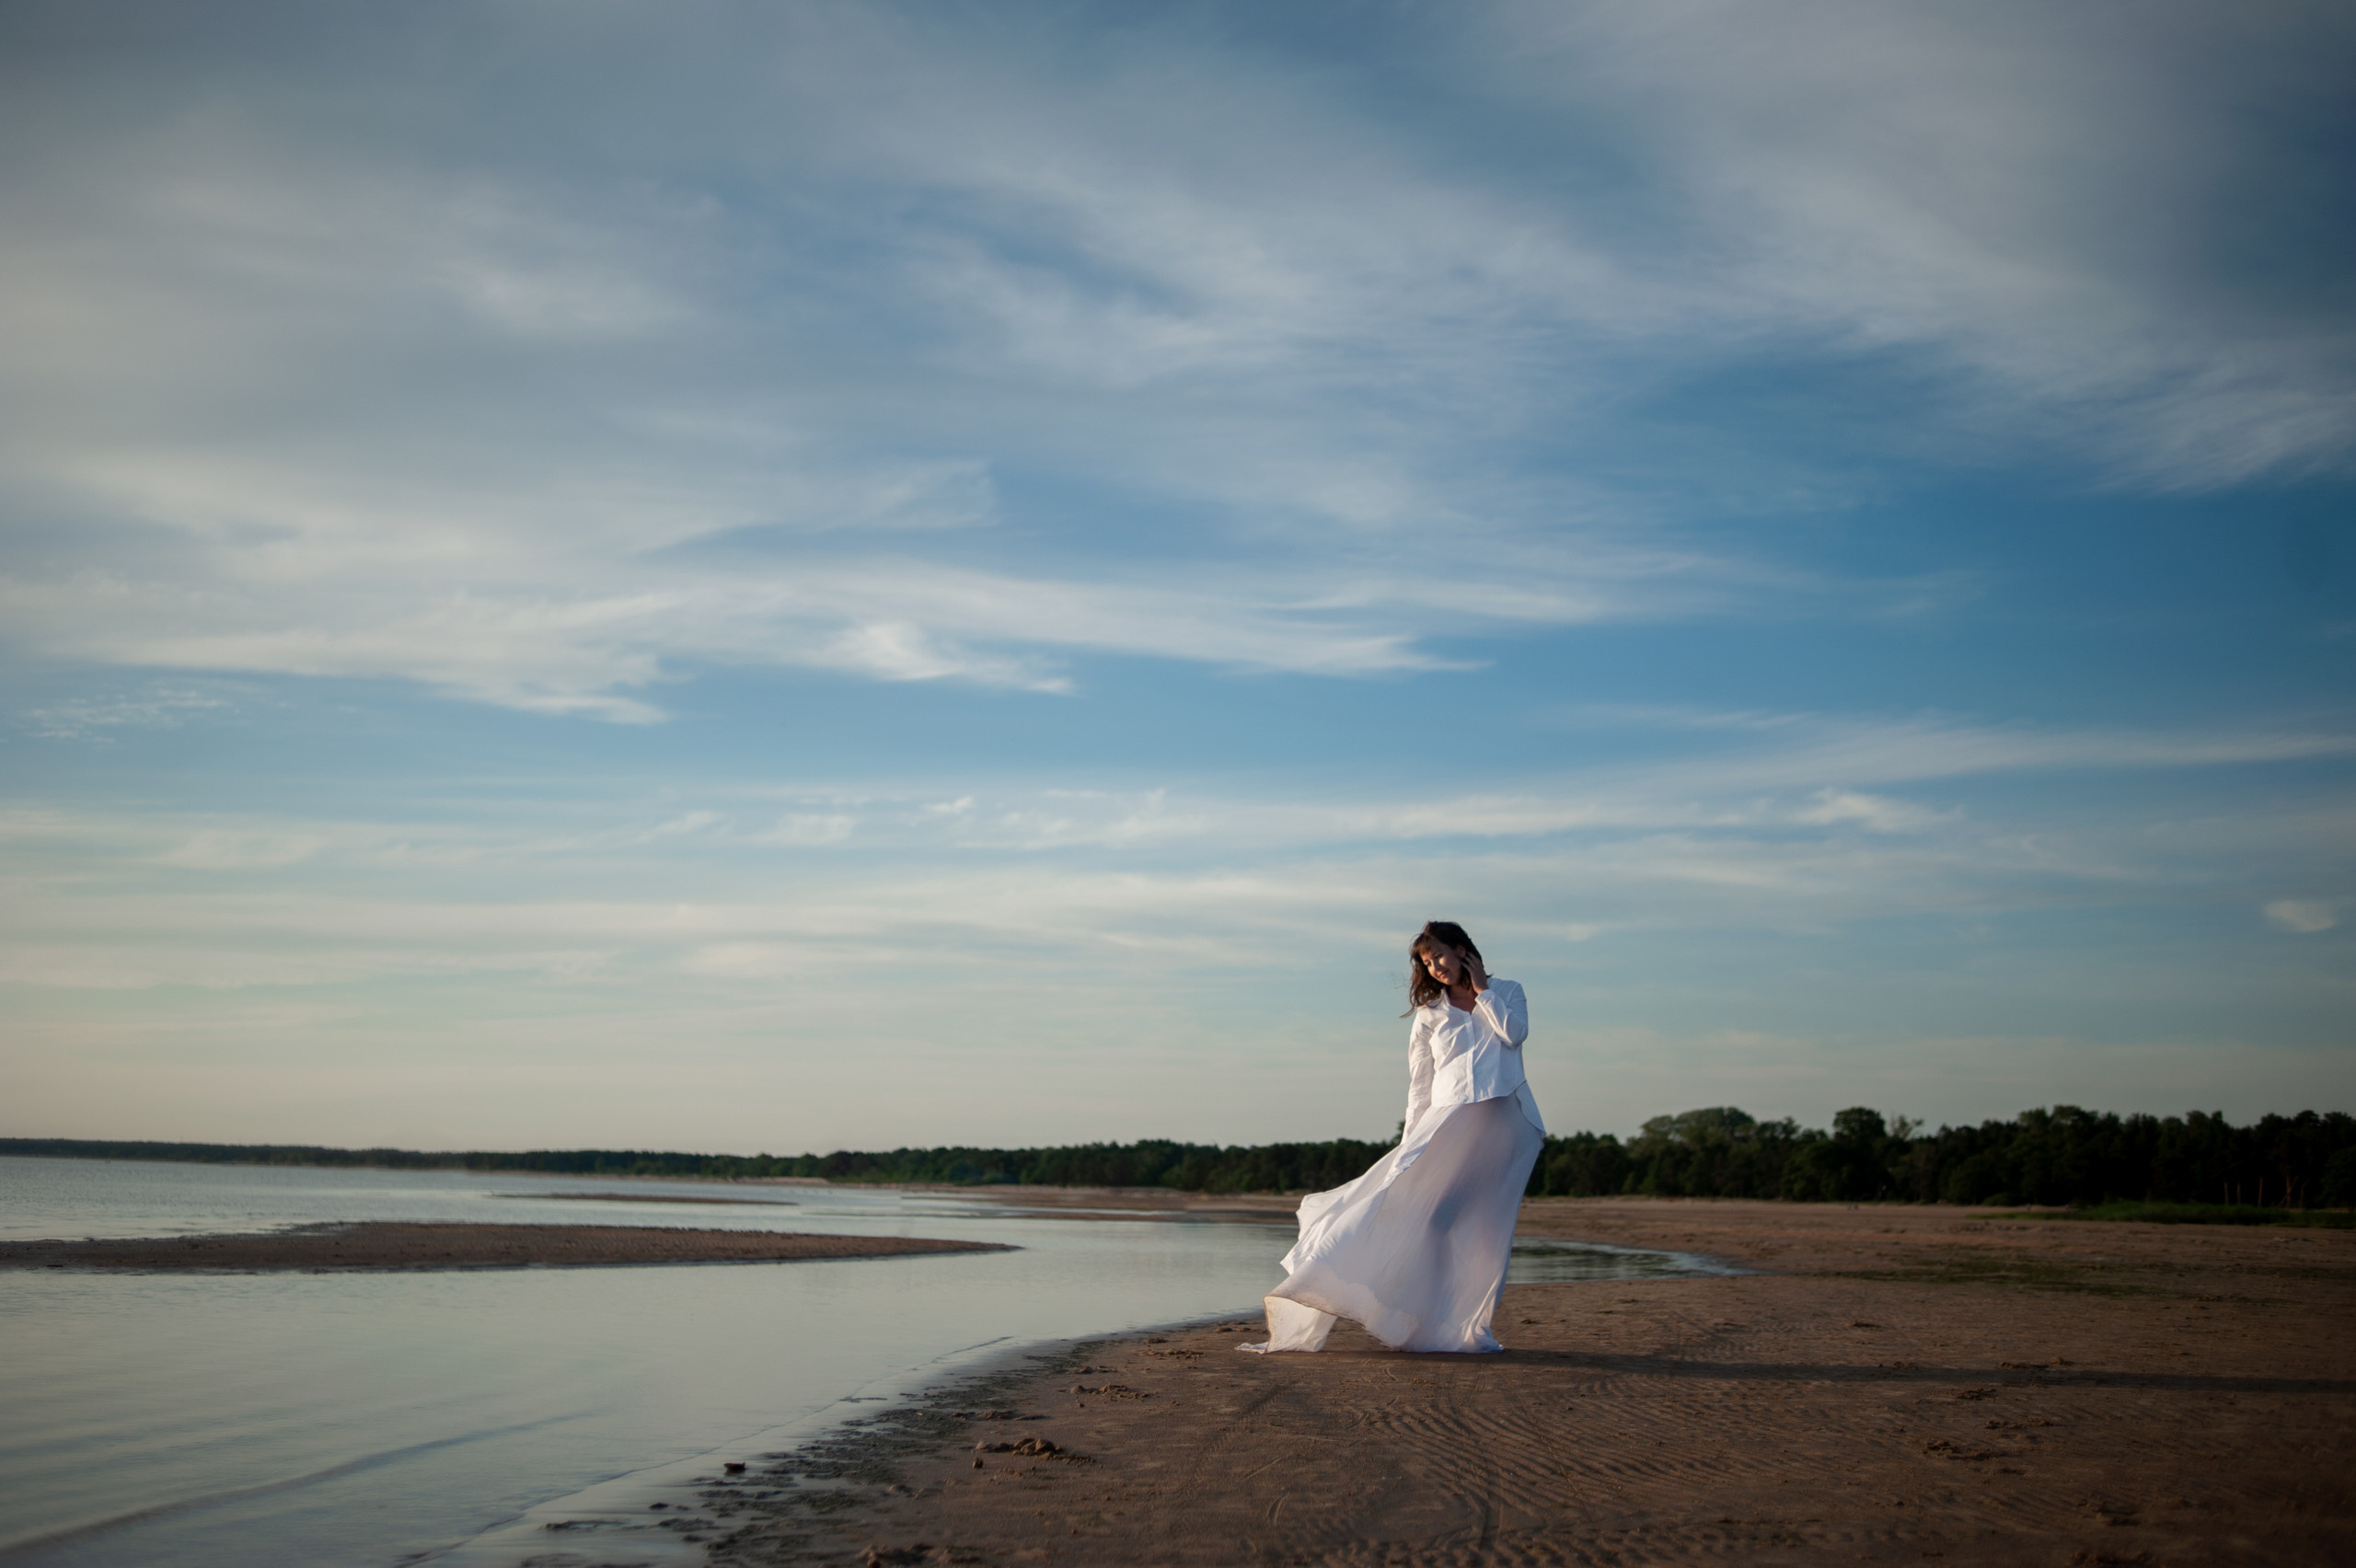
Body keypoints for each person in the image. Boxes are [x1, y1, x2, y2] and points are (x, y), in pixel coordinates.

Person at [1242, 920, 1546, 1355]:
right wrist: (1410, 1141)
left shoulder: (1508, 991)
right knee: (1429, 1218)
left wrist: (1483, 991)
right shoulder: (1429, 1015)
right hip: (1445, 1126)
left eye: (1439, 955)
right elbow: (1420, 1085)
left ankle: (1466, 1327)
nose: (1435, 967)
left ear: (1462, 950)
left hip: (1501, 1129)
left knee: (1486, 1229)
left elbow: (1514, 1036)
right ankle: (1420, 1319)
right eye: (1426, 962)